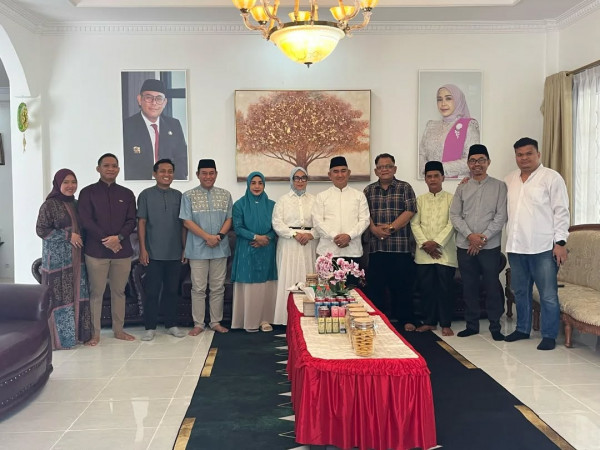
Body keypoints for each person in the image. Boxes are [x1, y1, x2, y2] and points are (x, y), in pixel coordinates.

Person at [504, 137, 570, 351]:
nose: (524, 158)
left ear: (538, 154)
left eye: (528, 153)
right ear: (516, 156)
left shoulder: (551, 177)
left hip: (543, 248)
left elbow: (561, 211)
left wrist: (560, 243)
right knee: (520, 292)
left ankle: (549, 335)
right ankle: (522, 329)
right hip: (516, 247)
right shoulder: (509, 179)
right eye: (520, 154)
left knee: (547, 294)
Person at [450, 144, 507, 341]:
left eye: (481, 160)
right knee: (469, 287)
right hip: (465, 246)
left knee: (491, 286)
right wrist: (470, 237)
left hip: (489, 247)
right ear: (468, 164)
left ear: (488, 162)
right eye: (473, 161)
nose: (477, 164)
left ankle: (495, 326)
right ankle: (471, 325)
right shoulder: (462, 187)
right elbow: (455, 215)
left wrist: (482, 239)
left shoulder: (500, 186)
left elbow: (501, 216)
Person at [79, 153, 137, 345]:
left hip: (122, 251)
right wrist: (107, 240)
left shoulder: (127, 194)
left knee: (119, 292)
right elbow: (86, 221)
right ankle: (95, 334)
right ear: (98, 169)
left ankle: (119, 330)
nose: (110, 169)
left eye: (114, 166)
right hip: (96, 252)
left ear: (118, 169)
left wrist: (118, 238)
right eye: (106, 165)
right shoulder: (87, 193)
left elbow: (131, 220)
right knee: (96, 293)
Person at [36, 169, 93, 349]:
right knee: (59, 298)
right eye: (66, 182)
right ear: (58, 184)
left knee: (78, 294)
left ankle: (78, 336)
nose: (70, 186)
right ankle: (60, 340)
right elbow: (41, 230)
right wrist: (68, 236)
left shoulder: (77, 204)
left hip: (77, 258)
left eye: (73, 182)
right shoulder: (49, 205)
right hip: (57, 261)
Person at [363, 153, 418, 330]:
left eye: (388, 166)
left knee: (403, 287)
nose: (384, 169)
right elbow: (364, 214)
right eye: (380, 167)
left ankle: (406, 320)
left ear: (394, 169)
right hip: (377, 247)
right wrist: (374, 229)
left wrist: (391, 228)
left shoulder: (405, 187)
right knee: (376, 289)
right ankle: (379, 321)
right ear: (376, 171)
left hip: (400, 247)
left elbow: (410, 210)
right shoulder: (368, 190)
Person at [180, 159, 233, 336]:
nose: (208, 176)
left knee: (218, 287)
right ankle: (198, 323)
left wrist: (218, 237)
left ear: (216, 174)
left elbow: (229, 219)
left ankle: (216, 322)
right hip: (197, 249)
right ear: (198, 175)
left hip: (220, 247)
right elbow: (186, 221)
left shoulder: (225, 195)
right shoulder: (188, 196)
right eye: (204, 173)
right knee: (198, 288)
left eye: (211, 173)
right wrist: (207, 237)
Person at [137, 159, 187, 341]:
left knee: (172, 291)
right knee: (152, 292)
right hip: (153, 253)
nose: (167, 174)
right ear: (155, 174)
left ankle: (171, 324)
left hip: (174, 253)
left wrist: (184, 249)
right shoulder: (146, 195)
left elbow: (183, 225)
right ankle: (150, 327)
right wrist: (143, 249)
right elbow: (141, 222)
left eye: (170, 171)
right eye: (163, 171)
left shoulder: (179, 196)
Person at [410, 161, 458, 336]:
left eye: (436, 176)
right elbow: (415, 224)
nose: (432, 179)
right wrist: (426, 245)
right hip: (424, 253)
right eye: (429, 176)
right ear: (425, 179)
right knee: (426, 289)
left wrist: (436, 243)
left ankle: (445, 323)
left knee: (445, 289)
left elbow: (452, 224)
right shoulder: (420, 200)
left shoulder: (452, 199)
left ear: (443, 177)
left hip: (445, 253)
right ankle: (429, 322)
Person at [231, 172, 277, 333]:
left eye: (260, 183)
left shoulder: (272, 205)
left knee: (265, 285)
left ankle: (265, 320)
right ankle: (248, 321)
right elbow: (238, 228)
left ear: (264, 185)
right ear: (248, 185)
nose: (257, 186)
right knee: (249, 285)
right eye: (253, 183)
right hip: (246, 248)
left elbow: (276, 227)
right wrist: (256, 237)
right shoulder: (239, 205)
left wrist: (266, 238)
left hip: (267, 249)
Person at [272, 167, 319, 325]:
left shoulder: (315, 200)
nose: (300, 181)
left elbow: (321, 223)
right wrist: (294, 234)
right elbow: (277, 223)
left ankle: (308, 317)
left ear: (307, 180)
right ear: (291, 180)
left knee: (308, 276)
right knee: (288, 276)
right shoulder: (283, 200)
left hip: (309, 242)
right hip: (289, 243)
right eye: (296, 178)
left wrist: (311, 234)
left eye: (303, 178)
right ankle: (285, 319)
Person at [123, 78, 188, 181]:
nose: (154, 103)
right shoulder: (126, 126)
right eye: (148, 98)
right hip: (139, 184)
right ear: (139, 100)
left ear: (164, 103)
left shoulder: (174, 125)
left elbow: (182, 159)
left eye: (159, 98)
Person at [312, 156, 370, 262]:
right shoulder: (321, 196)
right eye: (335, 171)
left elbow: (364, 220)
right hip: (328, 251)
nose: (340, 175)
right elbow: (317, 222)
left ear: (349, 173)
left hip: (353, 250)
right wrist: (335, 237)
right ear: (330, 175)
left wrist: (349, 236)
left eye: (343, 171)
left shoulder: (359, 196)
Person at [419, 84, 480, 178]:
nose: (443, 103)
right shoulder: (430, 125)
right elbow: (421, 154)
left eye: (448, 98)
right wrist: (426, 170)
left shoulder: (469, 125)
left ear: (458, 100)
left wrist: (437, 169)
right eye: (439, 99)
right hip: (430, 181)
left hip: (458, 183)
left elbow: (472, 160)